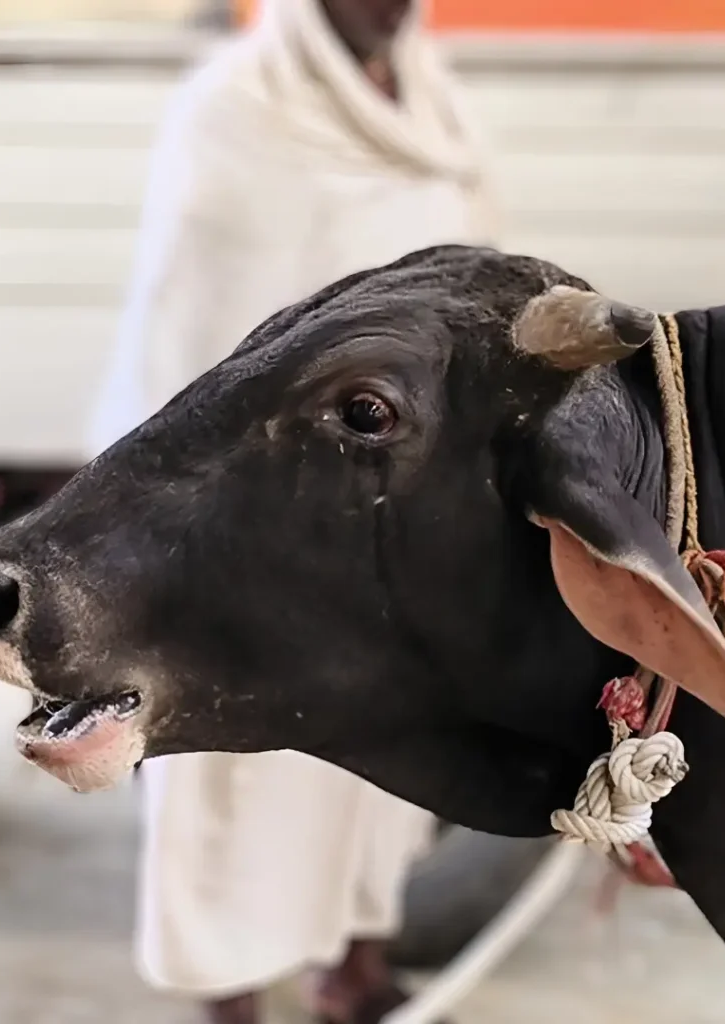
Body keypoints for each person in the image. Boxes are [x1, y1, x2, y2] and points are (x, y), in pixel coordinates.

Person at [86, 2, 499, 1022]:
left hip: (392, 509)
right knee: (232, 758)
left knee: (384, 745)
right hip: (250, 501)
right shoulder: (236, 110)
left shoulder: (432, 105)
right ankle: (230, 992)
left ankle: (353, 963)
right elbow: (192, 324)